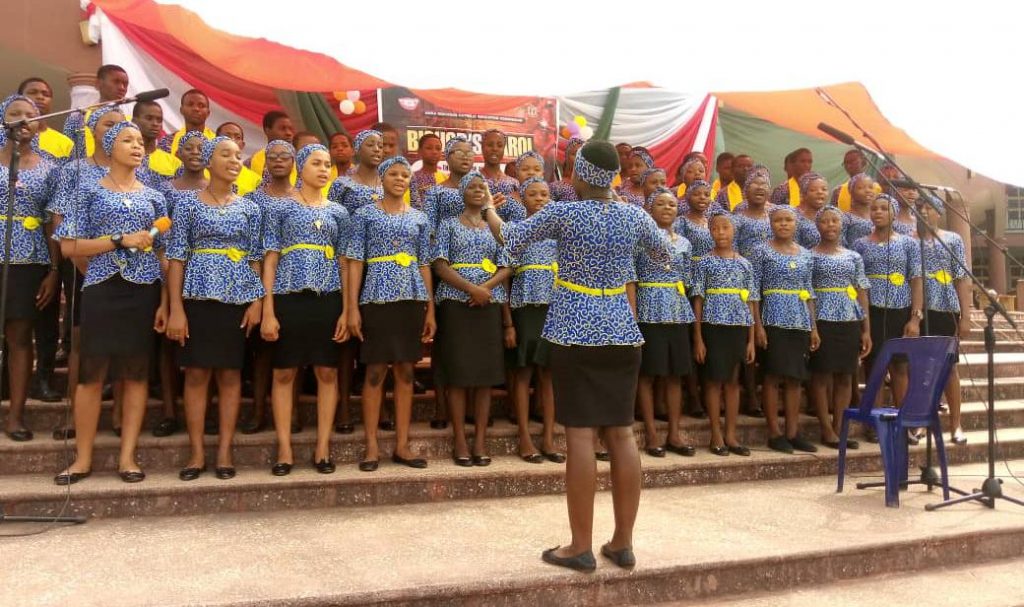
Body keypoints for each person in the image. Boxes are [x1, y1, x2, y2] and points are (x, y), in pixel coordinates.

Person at [484, 140, 671, 572]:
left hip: (573, 329)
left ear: (581, 175)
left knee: (581, 436)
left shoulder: (564, 212)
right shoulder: (634, 214)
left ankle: (580, 546)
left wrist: (492, 211)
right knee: (622, 434)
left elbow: (511, 237)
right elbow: (664, 258)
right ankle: (623, 543)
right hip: (623, 331)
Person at [53, 121, 168, 485]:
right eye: (127, 140)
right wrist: (118, 240)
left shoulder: (154, 196)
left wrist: (166, 302)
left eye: (139, 142)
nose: (137, 146)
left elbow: (164, 255)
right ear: (108, 145)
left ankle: (128, 457)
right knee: (91, 375)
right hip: (102, 287)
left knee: (135, 373)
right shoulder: (87, 191)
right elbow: (69, 246)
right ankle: (82, 459)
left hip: (143, 289)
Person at [165, 136, 263, 480]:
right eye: (226, 154)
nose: (235, 160)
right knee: (195, 373)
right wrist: (176, 308)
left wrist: (257, 301)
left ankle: (224, 451)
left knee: (230, 374)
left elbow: (255, 259)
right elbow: (176, 258)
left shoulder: (250, 207)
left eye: (238, 155)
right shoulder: (188, 204)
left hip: (237, 298)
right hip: (197, 295)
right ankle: (195, 453)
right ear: (209, 160)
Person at [261, 143, 349, 475]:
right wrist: (268, 309)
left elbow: (344, 262)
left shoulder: (338, 212)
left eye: (327, 164)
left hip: (328, 297)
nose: (324, 169)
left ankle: (323, 447)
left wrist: (346, 309)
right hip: (287, 295)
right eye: (316, 163)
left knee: (327, 371)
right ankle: (284, 449)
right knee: (284, 372)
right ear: (301, 167)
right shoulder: (280, 207)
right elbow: (270, 259)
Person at [345, 156, 435, 470]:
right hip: (375, 298)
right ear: (382, 178)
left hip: (411, 297)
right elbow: (355, 261)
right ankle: (371, 446)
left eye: (405, 174)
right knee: (373, 371)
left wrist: (430, 309)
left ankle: (402, 445)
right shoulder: (364, 215)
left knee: (406, 371)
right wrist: (352, 307)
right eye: (393, 174)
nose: (400, 178)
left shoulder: (420, 218)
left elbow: (424, 263)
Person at [47, 106, 124, 441]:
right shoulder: (75, 171)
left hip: (128, 271)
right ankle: (76, 418)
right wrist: (88, 267)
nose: (116, 131)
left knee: (126, 344)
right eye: (109, 125)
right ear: (93, 131)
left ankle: (121, 415)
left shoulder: (140, 169)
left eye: (122, 126)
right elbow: (60, 220)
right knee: (82, 342)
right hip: (84, 268)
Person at [432, 171, 511, 467]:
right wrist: (470, 288)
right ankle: (460, 441)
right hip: (456, 302)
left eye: (483, 187)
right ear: (462, 193)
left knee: (485, 376)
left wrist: (485, 289)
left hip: (488, 303)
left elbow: (509, 264)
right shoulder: (448, 225)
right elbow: (439, 264)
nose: (478, 190)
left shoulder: (495, 226)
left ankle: (480, 440)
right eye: (472, 187)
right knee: (459, 374)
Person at [0, 95, 61, 440]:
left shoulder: (50, 169)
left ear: (39, 124)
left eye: (31, 115)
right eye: (15, 114)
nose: (23, 120)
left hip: (29, 259)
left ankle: (16, 417)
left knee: (21, 336)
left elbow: (54, 223)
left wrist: (54, 270)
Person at [17, 79, 70, 404]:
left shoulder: (57, 152)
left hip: (40, 247)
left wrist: (55, 266)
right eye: (31, 94)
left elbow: (56, 211)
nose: (39, 99)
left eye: (44, 94)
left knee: (42, 320)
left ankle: (44, 378)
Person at [751, 206, 820, 453]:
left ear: (796, 223)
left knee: (795, 378)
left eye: (788, 220)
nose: (783, 224)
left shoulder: (805, 254)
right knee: (772, 376)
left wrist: (813, 327)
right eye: (778, 220)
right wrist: (758, 326)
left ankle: (793, 432)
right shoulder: (761, 251)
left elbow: (809, 291)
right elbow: (753, 292)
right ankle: (774, 432)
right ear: (771, 223)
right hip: (773, 318)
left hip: (799, 319)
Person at [635, 188, 697, 458]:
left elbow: (688, 278)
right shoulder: (640, 240)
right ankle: (651, 434)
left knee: (675, 375)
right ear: (650, 208)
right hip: (649, 308)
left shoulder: (684, 242)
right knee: (648, 374)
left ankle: (674, 432)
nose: (667, 208)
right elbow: (632, 279)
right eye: (660, 203)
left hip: (677, 309)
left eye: (672, 204)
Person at [506, 177, 563, 463]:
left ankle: (550, 438)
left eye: (544, 194)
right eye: (533, 194)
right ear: (522, 199)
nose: (539, 198)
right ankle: (525, 437)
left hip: (553, 308)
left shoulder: (559, 235)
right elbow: (506, 277)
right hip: (526, 307)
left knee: (548, 374)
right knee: (524, 371)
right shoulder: (516, 230)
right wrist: (508, 322)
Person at [241, 140, 296, 434]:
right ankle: (258, 410)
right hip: (259, 273)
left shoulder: (302, 198)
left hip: (294, 280)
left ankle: (293, 411)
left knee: (294, 351)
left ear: (293, 162)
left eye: (284, 156)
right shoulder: (251, 200)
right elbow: (251, 249)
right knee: (262, 352)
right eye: (271, 156)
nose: (277, 160)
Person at [851, 194, 923, 421]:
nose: (878, 212)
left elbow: (917, 279)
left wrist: (915, 319)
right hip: (871, 310)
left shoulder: (909, 243)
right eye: (874, 209)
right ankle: (875, 420)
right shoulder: (859, 244)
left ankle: (903, 419)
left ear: (893, 213)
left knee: (900, 367)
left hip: (900, 309)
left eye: (884, 208)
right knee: (874, 368)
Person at [420, 135, 475, 430]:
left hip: (479, 272)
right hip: (445, 272)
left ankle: (471, 407)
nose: (465, 157)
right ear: (447, 158)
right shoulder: (436, 194)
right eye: (458, 152)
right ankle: (441, 406)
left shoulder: (483, 191)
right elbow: (428, 233)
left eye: (470, 153)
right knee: (446, 344)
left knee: (473, 345)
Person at [692, 210, 757, 457]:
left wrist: (751, 340)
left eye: (725, 228)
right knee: (713, 380)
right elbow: (698, 299)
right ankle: (716, 433)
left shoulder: (744, 263)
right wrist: (698, 337)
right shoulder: (704, 262)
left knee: (732, 380)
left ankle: (731, 433)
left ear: (734, 230)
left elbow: (750, 300)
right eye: (716, 228)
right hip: (713, 325)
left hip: (738, 326)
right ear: (710, 232)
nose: (721, 233)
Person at [809, 206, 871, 449]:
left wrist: (866, 329)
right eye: (825, 221)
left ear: (842, 224)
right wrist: (811, 325)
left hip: (849, 317)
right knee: (822, 374)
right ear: (817, 226)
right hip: (822, 317)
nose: (830, 225)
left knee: (846, 375)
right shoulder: (809, 256)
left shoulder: (853, 256)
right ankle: (825, 428)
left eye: (835, 221)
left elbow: (861, 291)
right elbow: (808, 293)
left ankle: (839, 427)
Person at [918, 196, 971, 445]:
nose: (925, 211)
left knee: (950, 367)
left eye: (929, 207)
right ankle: (920, 421)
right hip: (919, 308)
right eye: (921, 208)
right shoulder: (911, 240)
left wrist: (965, 315)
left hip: (946, 306)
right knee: (920, 366)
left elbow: (961, 277)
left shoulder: (952, 239)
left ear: (939, 212)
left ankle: (956, 424)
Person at [673, 180, 714, 418]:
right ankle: (693, 396)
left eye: (706, 194)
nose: (702, 198)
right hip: (691, 282)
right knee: (692, 339)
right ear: (687, 197)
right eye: (697, 194)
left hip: (714, 282)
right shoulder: (682, 222)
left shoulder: (715, 222)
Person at [63, 64, 129, 158]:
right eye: (116, 82)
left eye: (125, 84)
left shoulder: (129, 121)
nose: (122, 88)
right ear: (98, 84)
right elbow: (67, 153)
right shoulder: (77, 119)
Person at [17, 77, 74, 162]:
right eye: (33, 92)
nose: (40, 97)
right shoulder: (5, 136)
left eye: (46, 94)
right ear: (19, 99)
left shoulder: (65, 143)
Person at [132, 100, 180, 189]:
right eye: (149, 118)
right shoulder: (122, 158)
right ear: (134, 121)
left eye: (159, 120)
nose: (155, 124)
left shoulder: (174, 163)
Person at [480, 129, 525, 221]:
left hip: (508, 233)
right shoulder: (473, 180)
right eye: (490, 145)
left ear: (504, 149)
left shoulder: (514, 183)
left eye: (500, 145)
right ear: (482, 147)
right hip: (481, 232)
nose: (495, 149)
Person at [215, 122, 262, 196]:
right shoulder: (203, 171)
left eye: (237, 137)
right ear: (216, 142)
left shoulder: (256, 180)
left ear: (242, 145)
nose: (232, 140)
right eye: (227, 136)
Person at [410, 133, 445, 207]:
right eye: (429, 148)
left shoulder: (446, 178)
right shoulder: (412, 178)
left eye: (438, 149)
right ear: (419, 151)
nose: (434, 152)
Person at [842, 173, 876, 248]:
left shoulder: (878, 216)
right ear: (851, 191)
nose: (868, 191)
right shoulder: (846, 218)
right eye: (861, 188)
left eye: (870, 187)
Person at [795, 172, 827, 248]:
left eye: (824, 189)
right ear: (803, 194)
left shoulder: (835, 217)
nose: (820, 192)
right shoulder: (797, 220)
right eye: (813, 190)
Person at [550, 137, 584, 202]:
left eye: (582, 155)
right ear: (566, 156)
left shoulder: (589, 185)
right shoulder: (555, 181)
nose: (579, 158)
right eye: (575, 154)